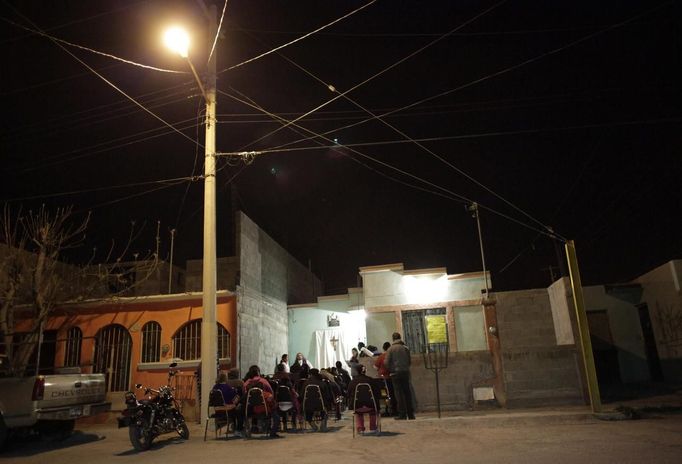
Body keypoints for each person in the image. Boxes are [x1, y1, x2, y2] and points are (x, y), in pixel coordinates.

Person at [242, 365, 283, 438]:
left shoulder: (246, 384)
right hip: (264, 408)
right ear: (258, 372)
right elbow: (271, 393)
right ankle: (272, 432)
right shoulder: (263, 381)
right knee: (275, 411)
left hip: (250, 409)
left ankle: (252, 428)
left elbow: (245, 395)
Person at [385, 332, 415, 420]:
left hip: (395, 373)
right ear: (400, 338)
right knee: (407, 394)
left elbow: (386, 362)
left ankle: (402, 414)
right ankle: (411, 414)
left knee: (399, 394)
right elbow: (409, 361)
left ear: (393, 339)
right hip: (405, 372)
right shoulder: (405, 348)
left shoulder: (390, 349)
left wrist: (391, 369)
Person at [346, 364, 382, 435]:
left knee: (359, 412)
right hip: (371, 406)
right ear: (365, 371)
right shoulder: (371, 380)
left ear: (357, 371)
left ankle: (360, 428)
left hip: (357, 407)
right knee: (373, 410)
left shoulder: (353, 382)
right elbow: (378, 394)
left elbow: (348, 395)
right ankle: (373, 428)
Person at [213, 372, 243, 436]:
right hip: (227, 410)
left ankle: (233, 428)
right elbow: (232, 399)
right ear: (225, 378)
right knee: (240, 410)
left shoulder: (214, 387)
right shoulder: (227, 387)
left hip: (217, 410)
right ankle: (238, 430)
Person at [374, 341, 397, 415]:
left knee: (384, 395)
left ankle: (386, 409)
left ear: (383, 348)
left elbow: (375, 367)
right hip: (392, 376)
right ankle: (394, 410)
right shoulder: (392, 355)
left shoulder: (381, 356)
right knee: (393, 394)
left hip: (383, 379)